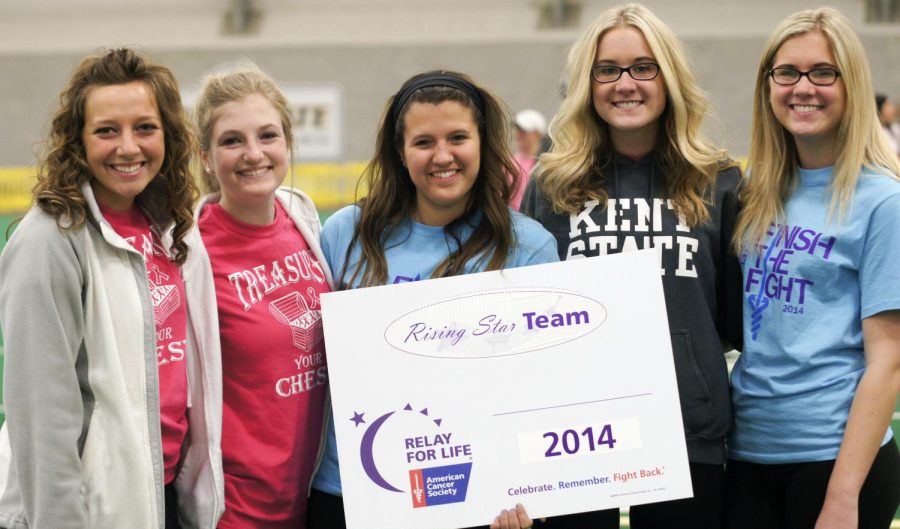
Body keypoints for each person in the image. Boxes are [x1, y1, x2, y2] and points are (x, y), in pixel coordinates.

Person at [520, 3, 743, 528]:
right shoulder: (551, 185)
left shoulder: (719, 179)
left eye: (644, 67)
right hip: (576, 435)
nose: (626, 83)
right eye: (608, 70)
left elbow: (733, 321)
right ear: (587, 83)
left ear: (669, 77)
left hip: (688, 428)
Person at [306, 70, 558, 529]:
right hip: (351, 492)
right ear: (400, 154)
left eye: (458, 137)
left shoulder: (530, 248)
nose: (442, 156)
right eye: (424, 142)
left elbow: (540, 391)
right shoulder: (345, 233)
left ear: (483, 143)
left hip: (471, 497)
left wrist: (522, 492)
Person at [0, 48, 223, 529]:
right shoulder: (49, 242)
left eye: (145, 127)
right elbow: (41, 415)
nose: (128, 147)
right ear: (78, 141)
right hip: (90, 507)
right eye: (106, 130)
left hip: (158, 493)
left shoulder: (167, 224)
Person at [726, 7, 900, 529]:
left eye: (823, 72)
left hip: (835, 460)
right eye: (787, 73)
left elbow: (888, 360)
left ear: (851, 83)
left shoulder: (882, 202)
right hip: (749, 452)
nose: (804, 88)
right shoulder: (755, 191)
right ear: (768, 85)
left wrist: (843, 497)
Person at [193, 65, 333, 529]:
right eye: (232, 140)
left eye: (267, 135)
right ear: (207, 157)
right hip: (236, 511)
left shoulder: (306, 222)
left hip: (311, 496)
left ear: (287, 143)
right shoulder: (191, 255)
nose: (253, 153)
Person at [509, 109, 548, 210]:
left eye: (524, 131)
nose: (519, 134)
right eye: (518, 130)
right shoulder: (511, 162)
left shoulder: (548, 162)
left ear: (538, 134)